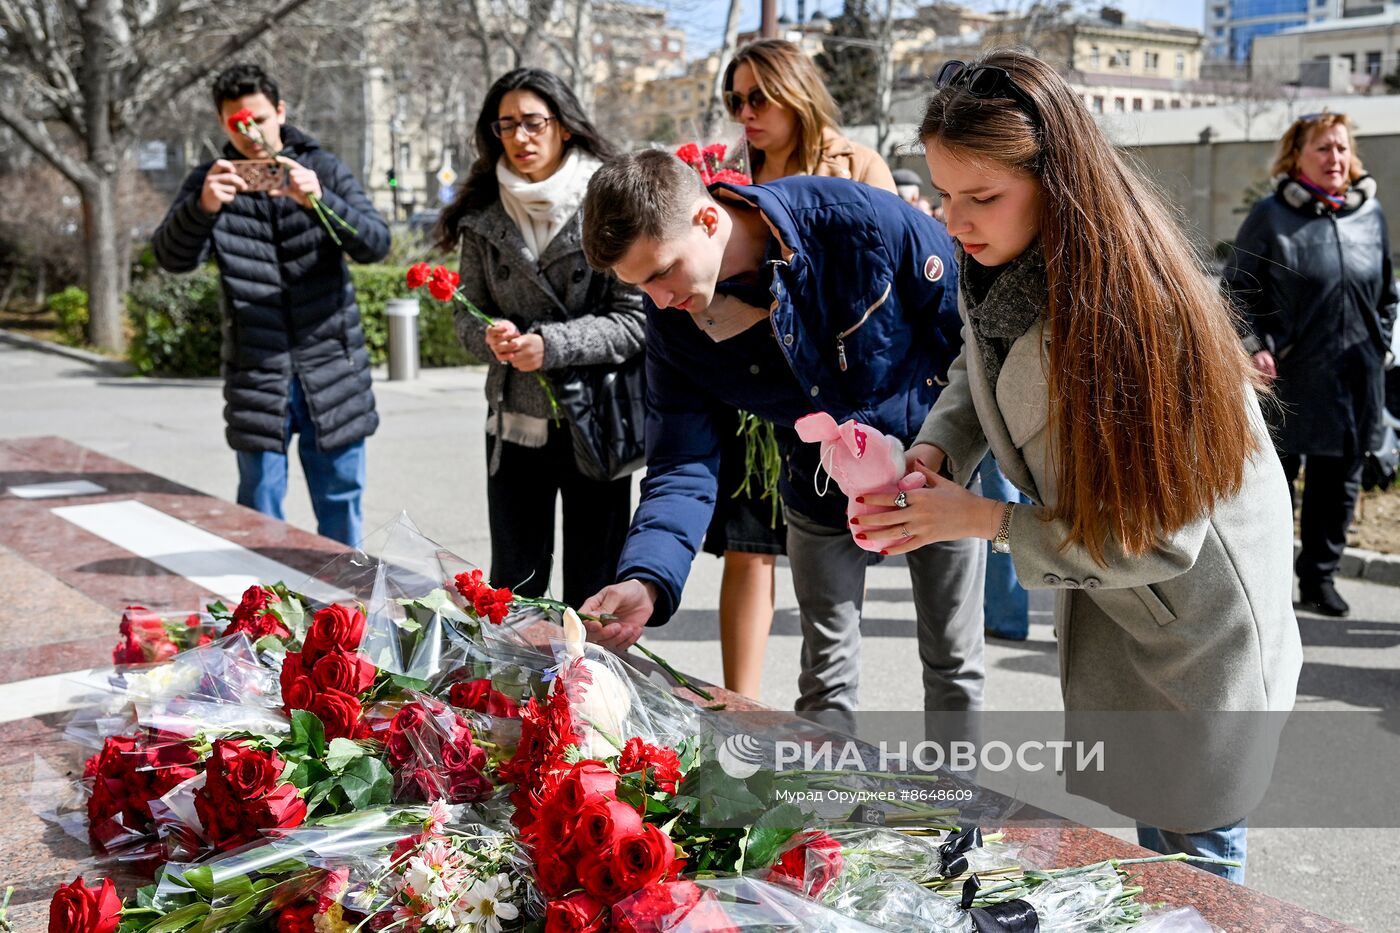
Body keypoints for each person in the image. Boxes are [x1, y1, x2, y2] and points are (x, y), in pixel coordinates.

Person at [857, 50, 1301, 880]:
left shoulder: (1139, 318)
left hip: (1199, 618)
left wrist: (984, 518)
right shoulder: (1009, 258)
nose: (954, 219)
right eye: (944, 193)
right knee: (1154, 848)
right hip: (1129, 602)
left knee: (1197, 863)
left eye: (981, 197)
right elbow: (976, 364)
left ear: (1058, 182)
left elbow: (1164, 542)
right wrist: (933, 448)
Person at [577, 149, 987, 716]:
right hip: (819, 487)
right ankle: (828, 805)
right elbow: (681, 462)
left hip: (937, 476)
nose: (660, 299)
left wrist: (947, 452)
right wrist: (646, 579)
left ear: (706, 218)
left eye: (661, 272)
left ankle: (955, 803)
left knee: (953, 667)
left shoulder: (855, 219)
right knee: (825, 681)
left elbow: (974, 330)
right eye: (640, 287)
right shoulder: (673, 323)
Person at [708, 38, 900, 699]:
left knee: (833, 575)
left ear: (796, 92)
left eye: (758, 96)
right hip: (754, 393)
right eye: (734, 99)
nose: (745, 112)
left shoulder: (856, 165)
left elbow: (887, 280)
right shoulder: (729, 176)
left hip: (835, 397)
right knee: (747, 541)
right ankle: (741, 705)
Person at [152, 63, 388, 547]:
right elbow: (170, 259)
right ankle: (263, 622)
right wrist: (203, 209)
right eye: (237, 122)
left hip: (332, 368)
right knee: (258, 511)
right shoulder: (210, 179)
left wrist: (320, 202)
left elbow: (376, 243)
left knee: (341, 506)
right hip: (257, 372)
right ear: (223, 123)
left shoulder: (320, 168)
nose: (250, 131)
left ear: (279, 111)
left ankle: (344, 618)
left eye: (258, 118)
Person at [436, 69, 644, 606]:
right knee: (514, 585)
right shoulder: (483, 215)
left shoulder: (610, 199)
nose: (520, 138)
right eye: (506, 126)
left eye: (533, 123)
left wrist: (551, 346)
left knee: (595, 585)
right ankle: (519, 689)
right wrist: (493, 338)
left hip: (596, 419)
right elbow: (467, 315)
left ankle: (591, 688)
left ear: (565, 126)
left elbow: (634, 318)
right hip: (514, 422)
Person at [1224, 112, 1397, 618]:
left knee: (1339, 481)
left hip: (1355, 377)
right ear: (1296, 156)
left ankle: (1320, 579)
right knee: (1274, 486)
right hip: (1289, 376)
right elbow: (1234, 290)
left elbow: (1387, 293)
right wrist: (1253, 345)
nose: (1335, 159)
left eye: (1341, 149)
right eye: (1322, 149)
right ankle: (1267, 580)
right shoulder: (1271, 216)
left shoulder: (1371, 215)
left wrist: (1380, 345)